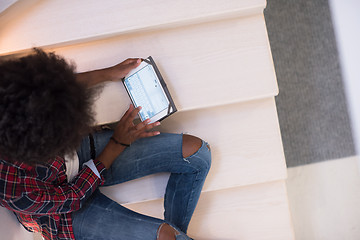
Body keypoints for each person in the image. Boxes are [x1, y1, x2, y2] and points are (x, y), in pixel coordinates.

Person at [0, 49, 211, 240]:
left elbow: (51, 88)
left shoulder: (9, 93)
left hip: (75, 156)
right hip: (61, 215)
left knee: (197, 153)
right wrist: (117, 142)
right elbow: (74, 197)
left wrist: (109, 72)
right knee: (166, 236)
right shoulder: (14, 190)